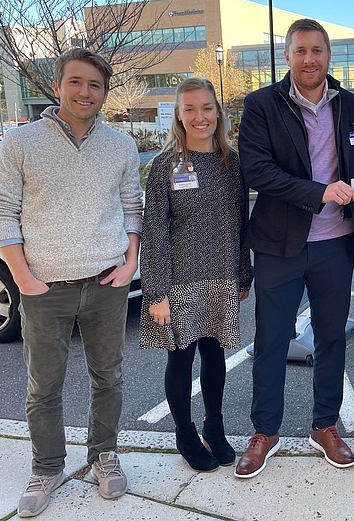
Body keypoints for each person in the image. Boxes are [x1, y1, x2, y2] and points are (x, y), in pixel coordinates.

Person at [0, 48, 142, 517]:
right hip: (43, 288)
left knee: (108, 378)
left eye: (95, 84)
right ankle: (47, 466)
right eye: (75, 82)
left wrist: (130, 262)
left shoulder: (121, 145)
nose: (85, 92)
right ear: (57, 87)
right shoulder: (21, 142)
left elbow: (132, 206)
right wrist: (22, 276)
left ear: (105, 92)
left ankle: (103, 456)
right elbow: (0, 208)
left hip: (106, 282)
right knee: (43, 385)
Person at [235, 18, 354, 478]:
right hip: (279, 245)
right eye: (300, 51)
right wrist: (319, 193)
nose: (309, 59)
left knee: (331, 338)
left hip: (336, 244)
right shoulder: (261, 105)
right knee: (272, 339)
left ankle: (325, 425)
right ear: (288, 56)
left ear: (328, 55)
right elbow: (256, 170)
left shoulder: (352, 105)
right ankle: (264, 432)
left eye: (317, 50)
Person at [139, 78, 252, 472]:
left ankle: (215, 427)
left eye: (206, 108)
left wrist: (243, 275)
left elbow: (241, 221)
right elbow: (154, 229)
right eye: (190, 109)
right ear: (178, 115)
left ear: (217, 112)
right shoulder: (164, 166)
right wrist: (156, 292)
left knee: (215, 355)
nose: (199, 117)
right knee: (181, 359)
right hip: (177, 281)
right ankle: (185, 433)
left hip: (220, 275)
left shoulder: (232, 162)